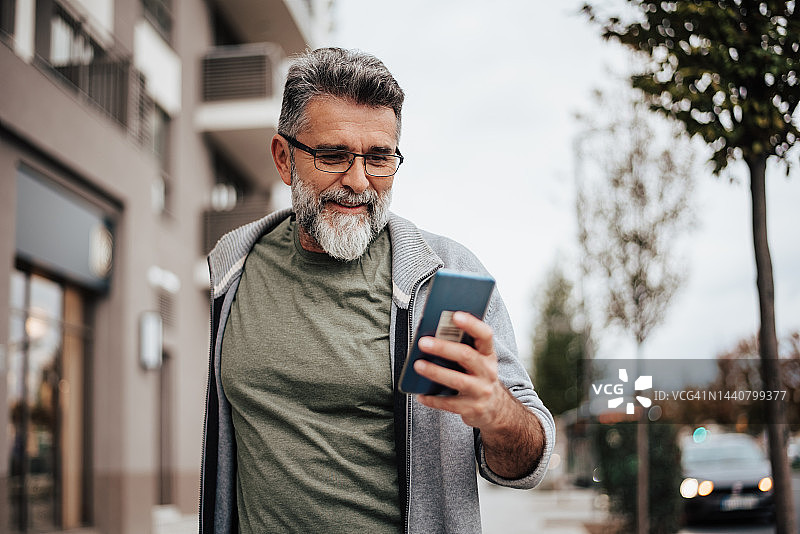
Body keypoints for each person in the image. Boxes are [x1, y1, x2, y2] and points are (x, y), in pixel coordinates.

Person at [200, 48, 555, 534]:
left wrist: (496, 411)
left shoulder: (442, 280)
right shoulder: (234, 267)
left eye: (379, 158)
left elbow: (524, 464)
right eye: (333, 156)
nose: (359, 181)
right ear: (284, 159)